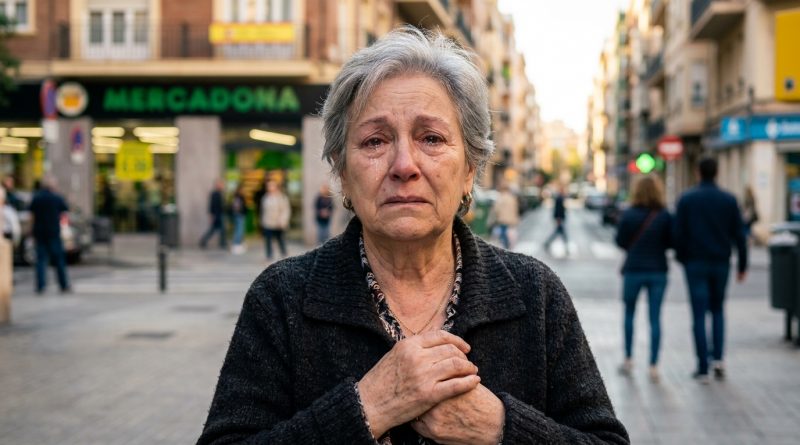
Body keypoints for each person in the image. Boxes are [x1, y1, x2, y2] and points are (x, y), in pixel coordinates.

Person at [198, 27, 628, 445]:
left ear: (470, 170)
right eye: (374, 141)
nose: (404, 164)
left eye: (432, 138)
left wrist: (500, 428)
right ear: (342, 172)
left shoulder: (535, 294)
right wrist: (366, 408)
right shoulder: (282, 298)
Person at [674, 157, 748, 383]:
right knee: (717, 309)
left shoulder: (686, 199)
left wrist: (682, 257)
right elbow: (739, 235)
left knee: (698, 313)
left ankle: (703, 367)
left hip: (695, 263)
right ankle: (718, 359)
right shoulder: (729, 200)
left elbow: (678, 234)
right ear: (717, 172)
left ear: (698, 172)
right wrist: (742, 264)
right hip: (720, 262)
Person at [615, 175, 672, 382]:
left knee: (629, 314)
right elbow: (671, 241)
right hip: (658, 270)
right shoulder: (664, 215)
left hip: (634, 269)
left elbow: (620, 241)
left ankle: (629, 358)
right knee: (655, 318)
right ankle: (653, 364)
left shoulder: (629, 214)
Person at [29, 176, 71, 294]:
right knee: (58, 260)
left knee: (41, 260)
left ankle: (40, 286)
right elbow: (65, 212)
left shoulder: (36, 198)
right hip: (53, 232)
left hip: (40, 232)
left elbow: (31, 215)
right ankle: (63, 284)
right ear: (53, 186)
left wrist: (31, 230)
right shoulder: (57, 198)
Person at [259, 180, 290, 261]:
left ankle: (284, 254)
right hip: (268, 223)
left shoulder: (281, 197)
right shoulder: (265, 197)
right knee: (268, 240)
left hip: (278, 223)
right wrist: (262, 222)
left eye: (271, 186)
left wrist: (283, 220)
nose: (269, 187)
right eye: (268, 186)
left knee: (280, 239)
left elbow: (285, 210)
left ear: (275, 187)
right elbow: (263, 211)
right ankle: (269, 255)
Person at [199, 179, 227, 249]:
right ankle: (203, 240)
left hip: (220, 214)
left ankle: (222, 243)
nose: (222, 186)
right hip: (217, 215)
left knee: (220, 230)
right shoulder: (214, 194)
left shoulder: (220, 193)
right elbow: (211, 205)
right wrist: (211, 215)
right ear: (217, 185)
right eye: (220, 184)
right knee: (214, 230)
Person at [490, 182, 519, 249]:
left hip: (503, 219)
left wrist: (495, 216)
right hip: (511, 220)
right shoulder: (512, 198)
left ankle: (506, 246)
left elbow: (496, 209)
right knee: (509, 233)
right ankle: (508, 246)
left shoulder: (501, 198)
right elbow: (515, 209)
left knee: (503, 233)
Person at [543, 184, 569, 253]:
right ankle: (566, 247)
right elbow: (558, 210)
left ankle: (547, 243)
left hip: (560, 218)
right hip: (559, 219)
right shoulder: (559, 198)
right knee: (562, 234)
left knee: (557, 233)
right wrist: (558, 219)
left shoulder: (560, 198)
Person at [229, 183, 248, 254]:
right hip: (239, 215)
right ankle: (236, 245)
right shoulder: (239, 197)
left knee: (238, 229)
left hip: (237, 215)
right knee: (239, 230)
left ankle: (237, 245)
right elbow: (239, 207)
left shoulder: (235, 196)